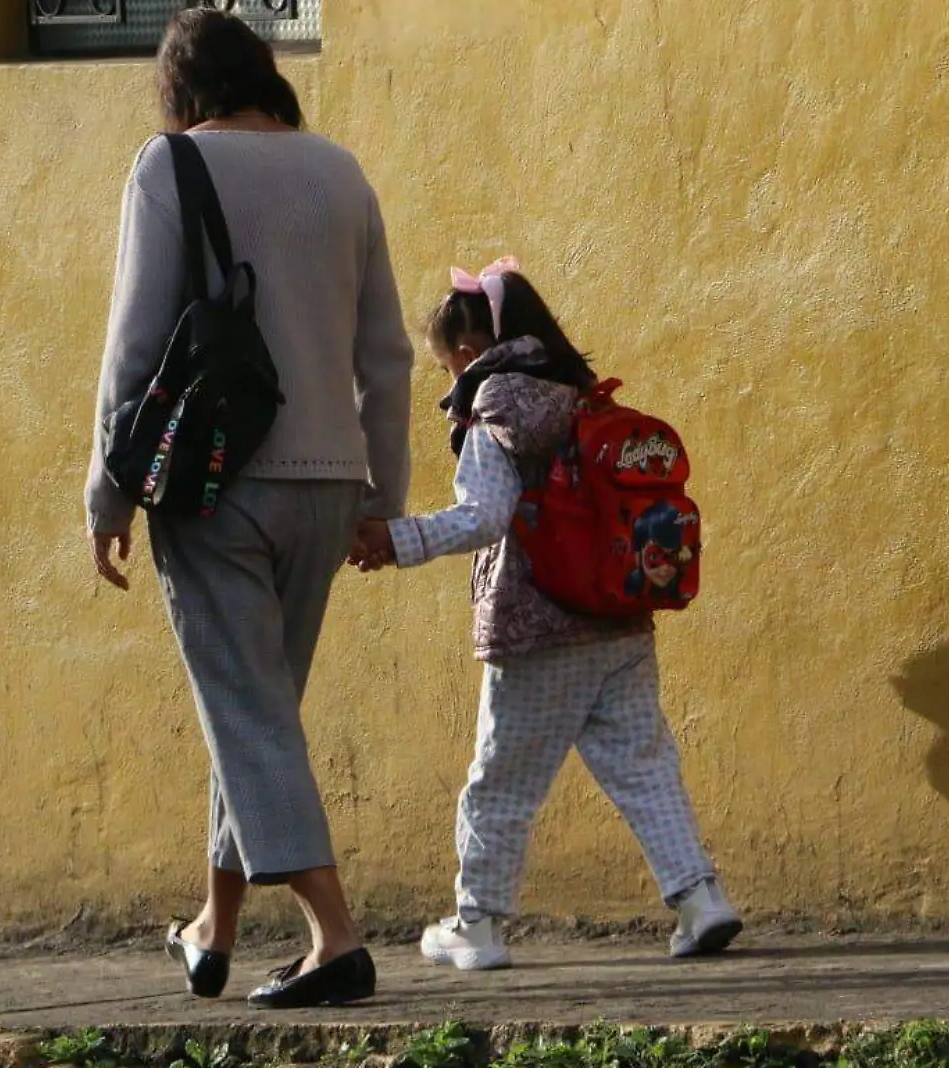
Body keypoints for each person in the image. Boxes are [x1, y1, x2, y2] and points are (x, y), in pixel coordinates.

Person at [83, 8, 413, 1008]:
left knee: (250, 714)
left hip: (212, 482)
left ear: (179, 87)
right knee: (257, 714)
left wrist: (107, 489)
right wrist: (381, 500)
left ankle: (336, 938)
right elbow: (388, 358)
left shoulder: (168, 165)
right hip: (326, 487)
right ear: (265, 73)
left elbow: (135, 349)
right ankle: (212, 929)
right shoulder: (340, 171)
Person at [349, 259, 741, 972]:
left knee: (501, 781)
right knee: (646, 766)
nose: (449, 384)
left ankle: (478, 925)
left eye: (446, 368)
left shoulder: (495, 402)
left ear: (468, 353)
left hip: (538, 627)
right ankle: (700, 899)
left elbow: (484, 516)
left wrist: (396, 539)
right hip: (618, 619)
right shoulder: (579, 392)